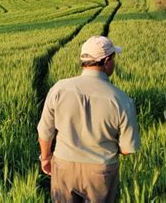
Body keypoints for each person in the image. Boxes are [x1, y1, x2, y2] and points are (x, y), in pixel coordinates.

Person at [37, 35, 141, 202]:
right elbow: (128, 148)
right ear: (107, 60)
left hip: (64, 166)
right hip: (101, 172)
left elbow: (45, 132)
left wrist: (46, 157)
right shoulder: (122, 100)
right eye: (113, 58)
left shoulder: (59, 89)